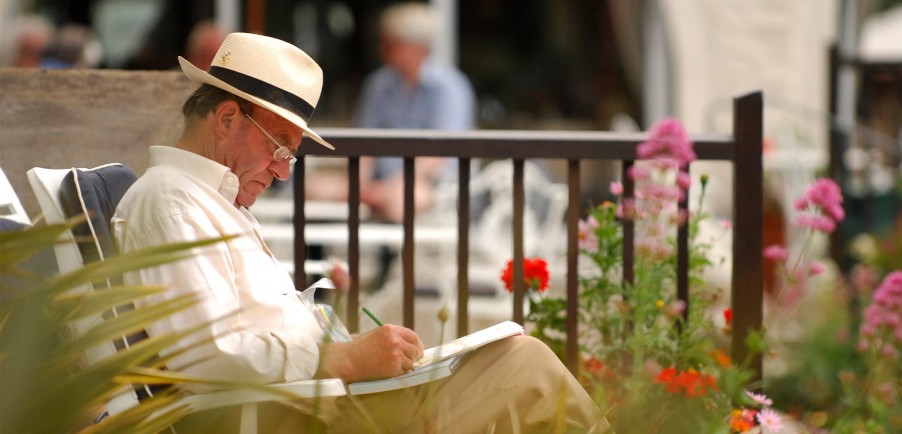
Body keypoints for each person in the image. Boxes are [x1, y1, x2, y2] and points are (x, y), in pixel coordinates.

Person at [112, 32, 607, 433]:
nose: (283, 171)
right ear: (225, 119)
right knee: (524, 363)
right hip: (294, 416)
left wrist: (339, 342)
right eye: (279, 147)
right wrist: (345, 357)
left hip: (313, 404)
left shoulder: (207, 200)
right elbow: (210, 357)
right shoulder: (172, 201)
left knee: (513, 355)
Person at [354, 2, 475, 223]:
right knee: (314, 190)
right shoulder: (379, 84)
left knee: (400, 200)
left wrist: (394, 183)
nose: (383, 50)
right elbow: (364, 141)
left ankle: (399, 258)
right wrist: (359, 184)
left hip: (433, 184)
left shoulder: (449, 87)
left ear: (418, 48)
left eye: (392, 45)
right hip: (381, 181)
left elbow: (443, 150)